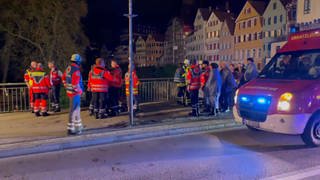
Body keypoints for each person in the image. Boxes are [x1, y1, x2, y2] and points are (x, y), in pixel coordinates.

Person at [62, 54, 84, 135]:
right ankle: (71, 129)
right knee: (74, 110)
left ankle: (78, 127)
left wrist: (67, 87)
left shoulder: (68, 68)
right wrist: (80, 92)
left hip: (70, 92)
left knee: (76, 110)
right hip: (75, 93)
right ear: (78, 61)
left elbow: (63, 78)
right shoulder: (76, 70)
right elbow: (75, 84)